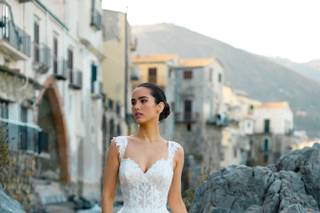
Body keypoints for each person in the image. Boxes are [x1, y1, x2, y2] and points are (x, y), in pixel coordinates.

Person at [101, 82, 188, 213]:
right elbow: (107, 196)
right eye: (133, 102)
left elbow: (175, 200)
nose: (136, 107)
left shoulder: (175, 151)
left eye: (143, 101)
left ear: (159, 107)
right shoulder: (119, 146)